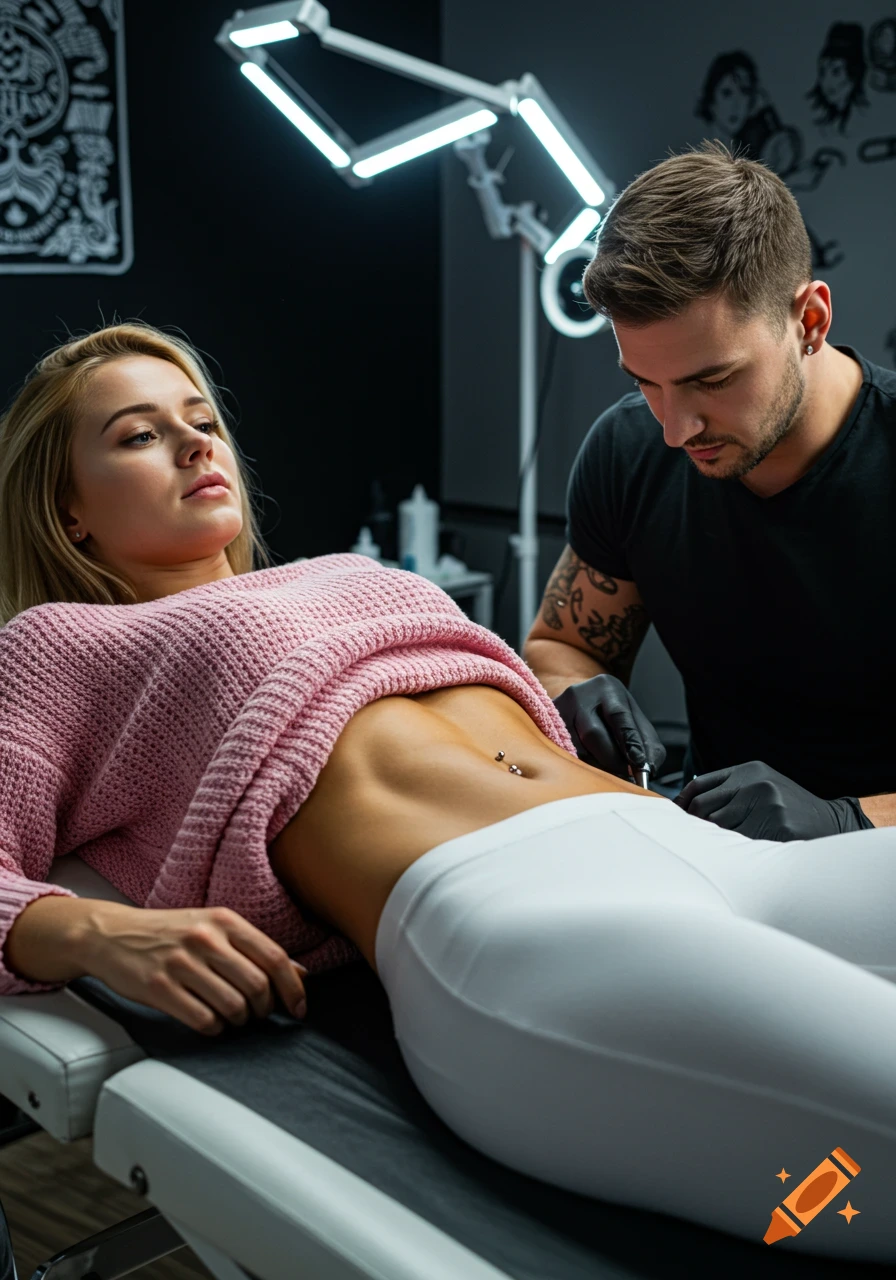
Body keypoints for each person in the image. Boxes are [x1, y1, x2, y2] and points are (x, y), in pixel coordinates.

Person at [1, 322, 896, 1262]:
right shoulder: (58, 647)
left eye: (202, 419)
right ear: (69, 513)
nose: (196, 443)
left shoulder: (341, 572)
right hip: (526, 927)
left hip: (706, 849)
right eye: (140, 435)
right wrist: (97, 932)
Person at [525, 139, 896, 842]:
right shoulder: (628, 448)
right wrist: (574, 691)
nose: (675, 428)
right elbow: (560, 644)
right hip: (715, 852)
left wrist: (849, 820)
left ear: (810, 321)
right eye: (646, 382)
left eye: (712, 380)